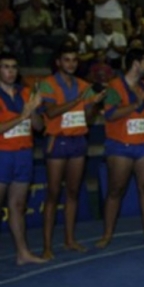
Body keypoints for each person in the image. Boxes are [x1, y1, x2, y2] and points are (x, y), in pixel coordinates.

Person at [39, 42, 106, 259]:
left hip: (78, 141)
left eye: (74, 60)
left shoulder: (83, 85)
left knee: (74, 192)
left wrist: (95, 104)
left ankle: (70, 240)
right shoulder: (47, 84)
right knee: (53, 193)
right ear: (58, 62)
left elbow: (87, 118)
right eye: (66, 59)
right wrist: (77, 100)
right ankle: (47, 245)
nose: (71, 64)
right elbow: (50, 112)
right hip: (57, 141)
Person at [96, 48, 144, 248]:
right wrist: (137, 104)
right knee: (115, 190)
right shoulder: (114, 87)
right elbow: (110, 115)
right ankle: (107, 234)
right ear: (136, 64)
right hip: (120, 146)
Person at [0, 53, 46, 265]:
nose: (10, 71)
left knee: (18, 205)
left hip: (23, 154)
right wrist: (21, 116)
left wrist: (34, 111)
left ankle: (23, 253)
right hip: (3, 154)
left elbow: (38, 127)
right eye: (6, 67)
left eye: (14, 67)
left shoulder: (26, 92)